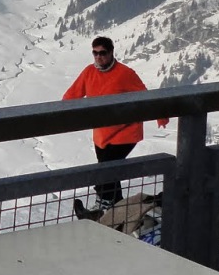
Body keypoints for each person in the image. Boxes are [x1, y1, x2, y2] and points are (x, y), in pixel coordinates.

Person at [62, 36, 166, 211]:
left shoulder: (125, 73)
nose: (98, 57)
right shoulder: (89, 72)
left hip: (126, 131)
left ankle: (103, 205)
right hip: (102, 133)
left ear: (111, 53)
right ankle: (117, 207)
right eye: (95, 53)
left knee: (106, 168)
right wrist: (60, 113)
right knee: (111, 169)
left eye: (102, 53)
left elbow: (145, 96)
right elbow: (73, 94)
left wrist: (161, 115)